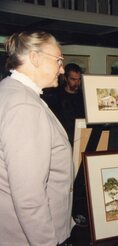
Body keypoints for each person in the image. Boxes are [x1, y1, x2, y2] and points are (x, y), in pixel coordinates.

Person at [0, 31, 74, 245]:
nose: (62, 69)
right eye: (59, 60)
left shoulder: (9, 91)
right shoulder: (24, 105)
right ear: (34, 58)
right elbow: (29, 197)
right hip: (29, 237)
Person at [58, 63, 85, 145]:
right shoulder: (57, 96)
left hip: (81, 137)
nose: (77, 83)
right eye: (73, 79)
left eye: (79, 79)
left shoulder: (84, 96)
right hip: (63, 139)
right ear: (66, 78)